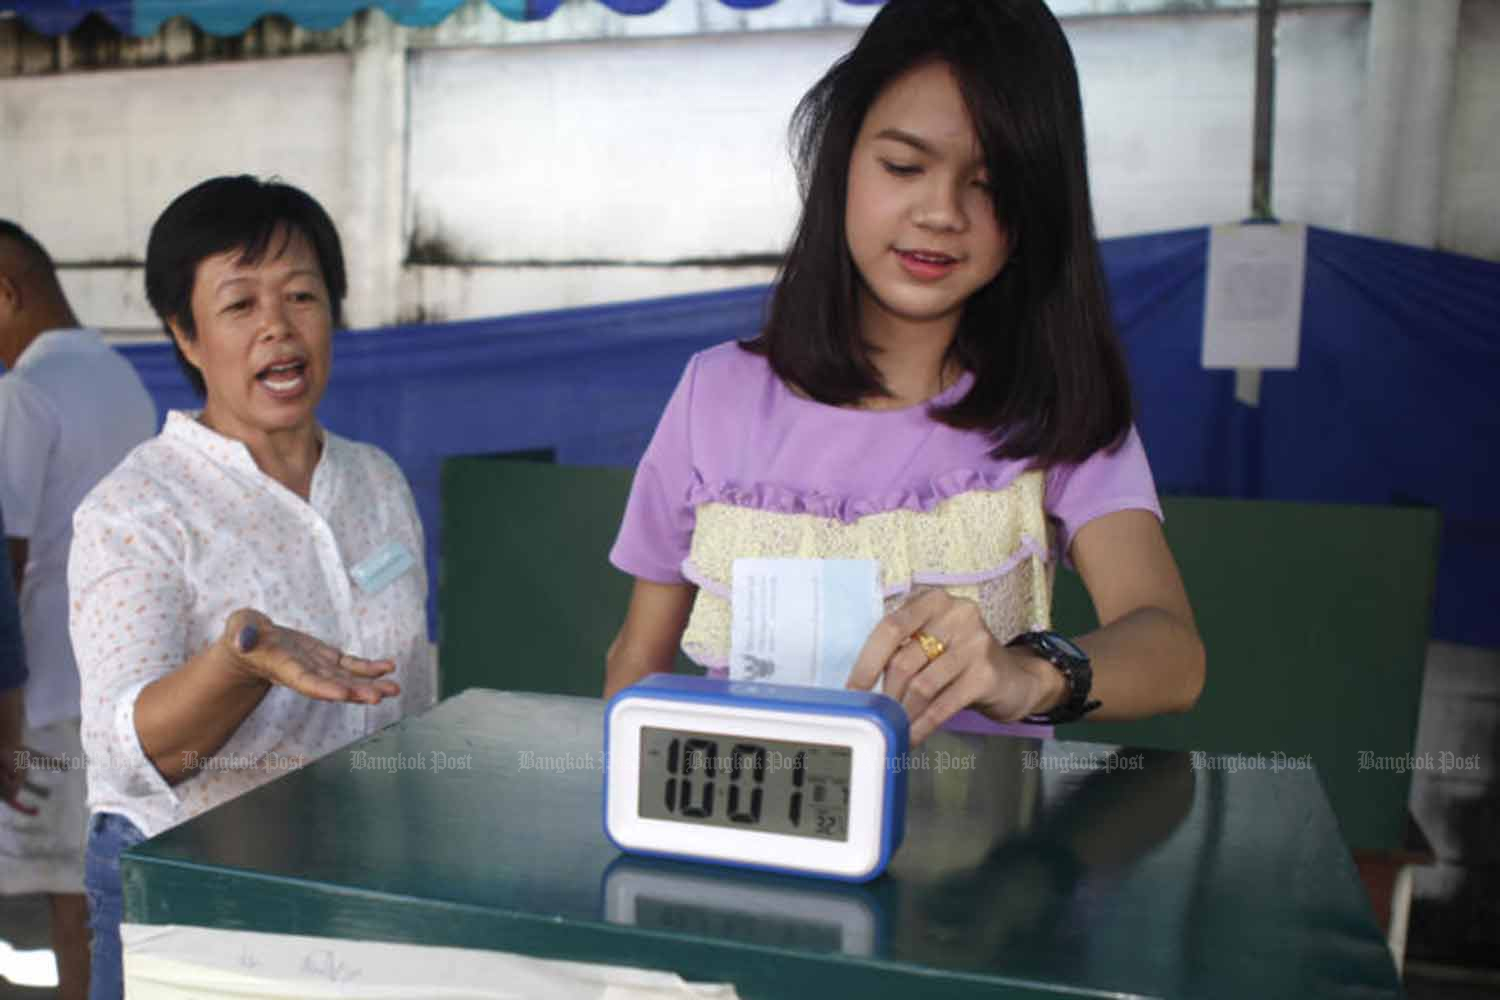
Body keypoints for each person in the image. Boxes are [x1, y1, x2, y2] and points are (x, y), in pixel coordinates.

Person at [605, 0, 1205, 745]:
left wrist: (1028, 675)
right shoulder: (712, 395)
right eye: (904, 165)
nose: (942, 212)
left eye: (990, 185)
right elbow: (637, 659)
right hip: (747, 851)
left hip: (989, 856)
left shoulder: (1056, 409)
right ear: (840, 160)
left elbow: (1174, 655)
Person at [68, 176, 435, 1000]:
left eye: (302, 294)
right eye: (240, 305)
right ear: (186, 336)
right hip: (194, 884)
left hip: (357, 876)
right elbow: (128, 751)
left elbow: (411, 690)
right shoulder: (137, 510)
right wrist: (243, 662)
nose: (278, 325)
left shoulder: (376, 482)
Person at [0, 220, 158, 1000]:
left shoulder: (23, 393)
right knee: (84, 894)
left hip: (37, 698)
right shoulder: (120, 377)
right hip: (113, 682)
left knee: (64, 898)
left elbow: (8, 560)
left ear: (5, 293)